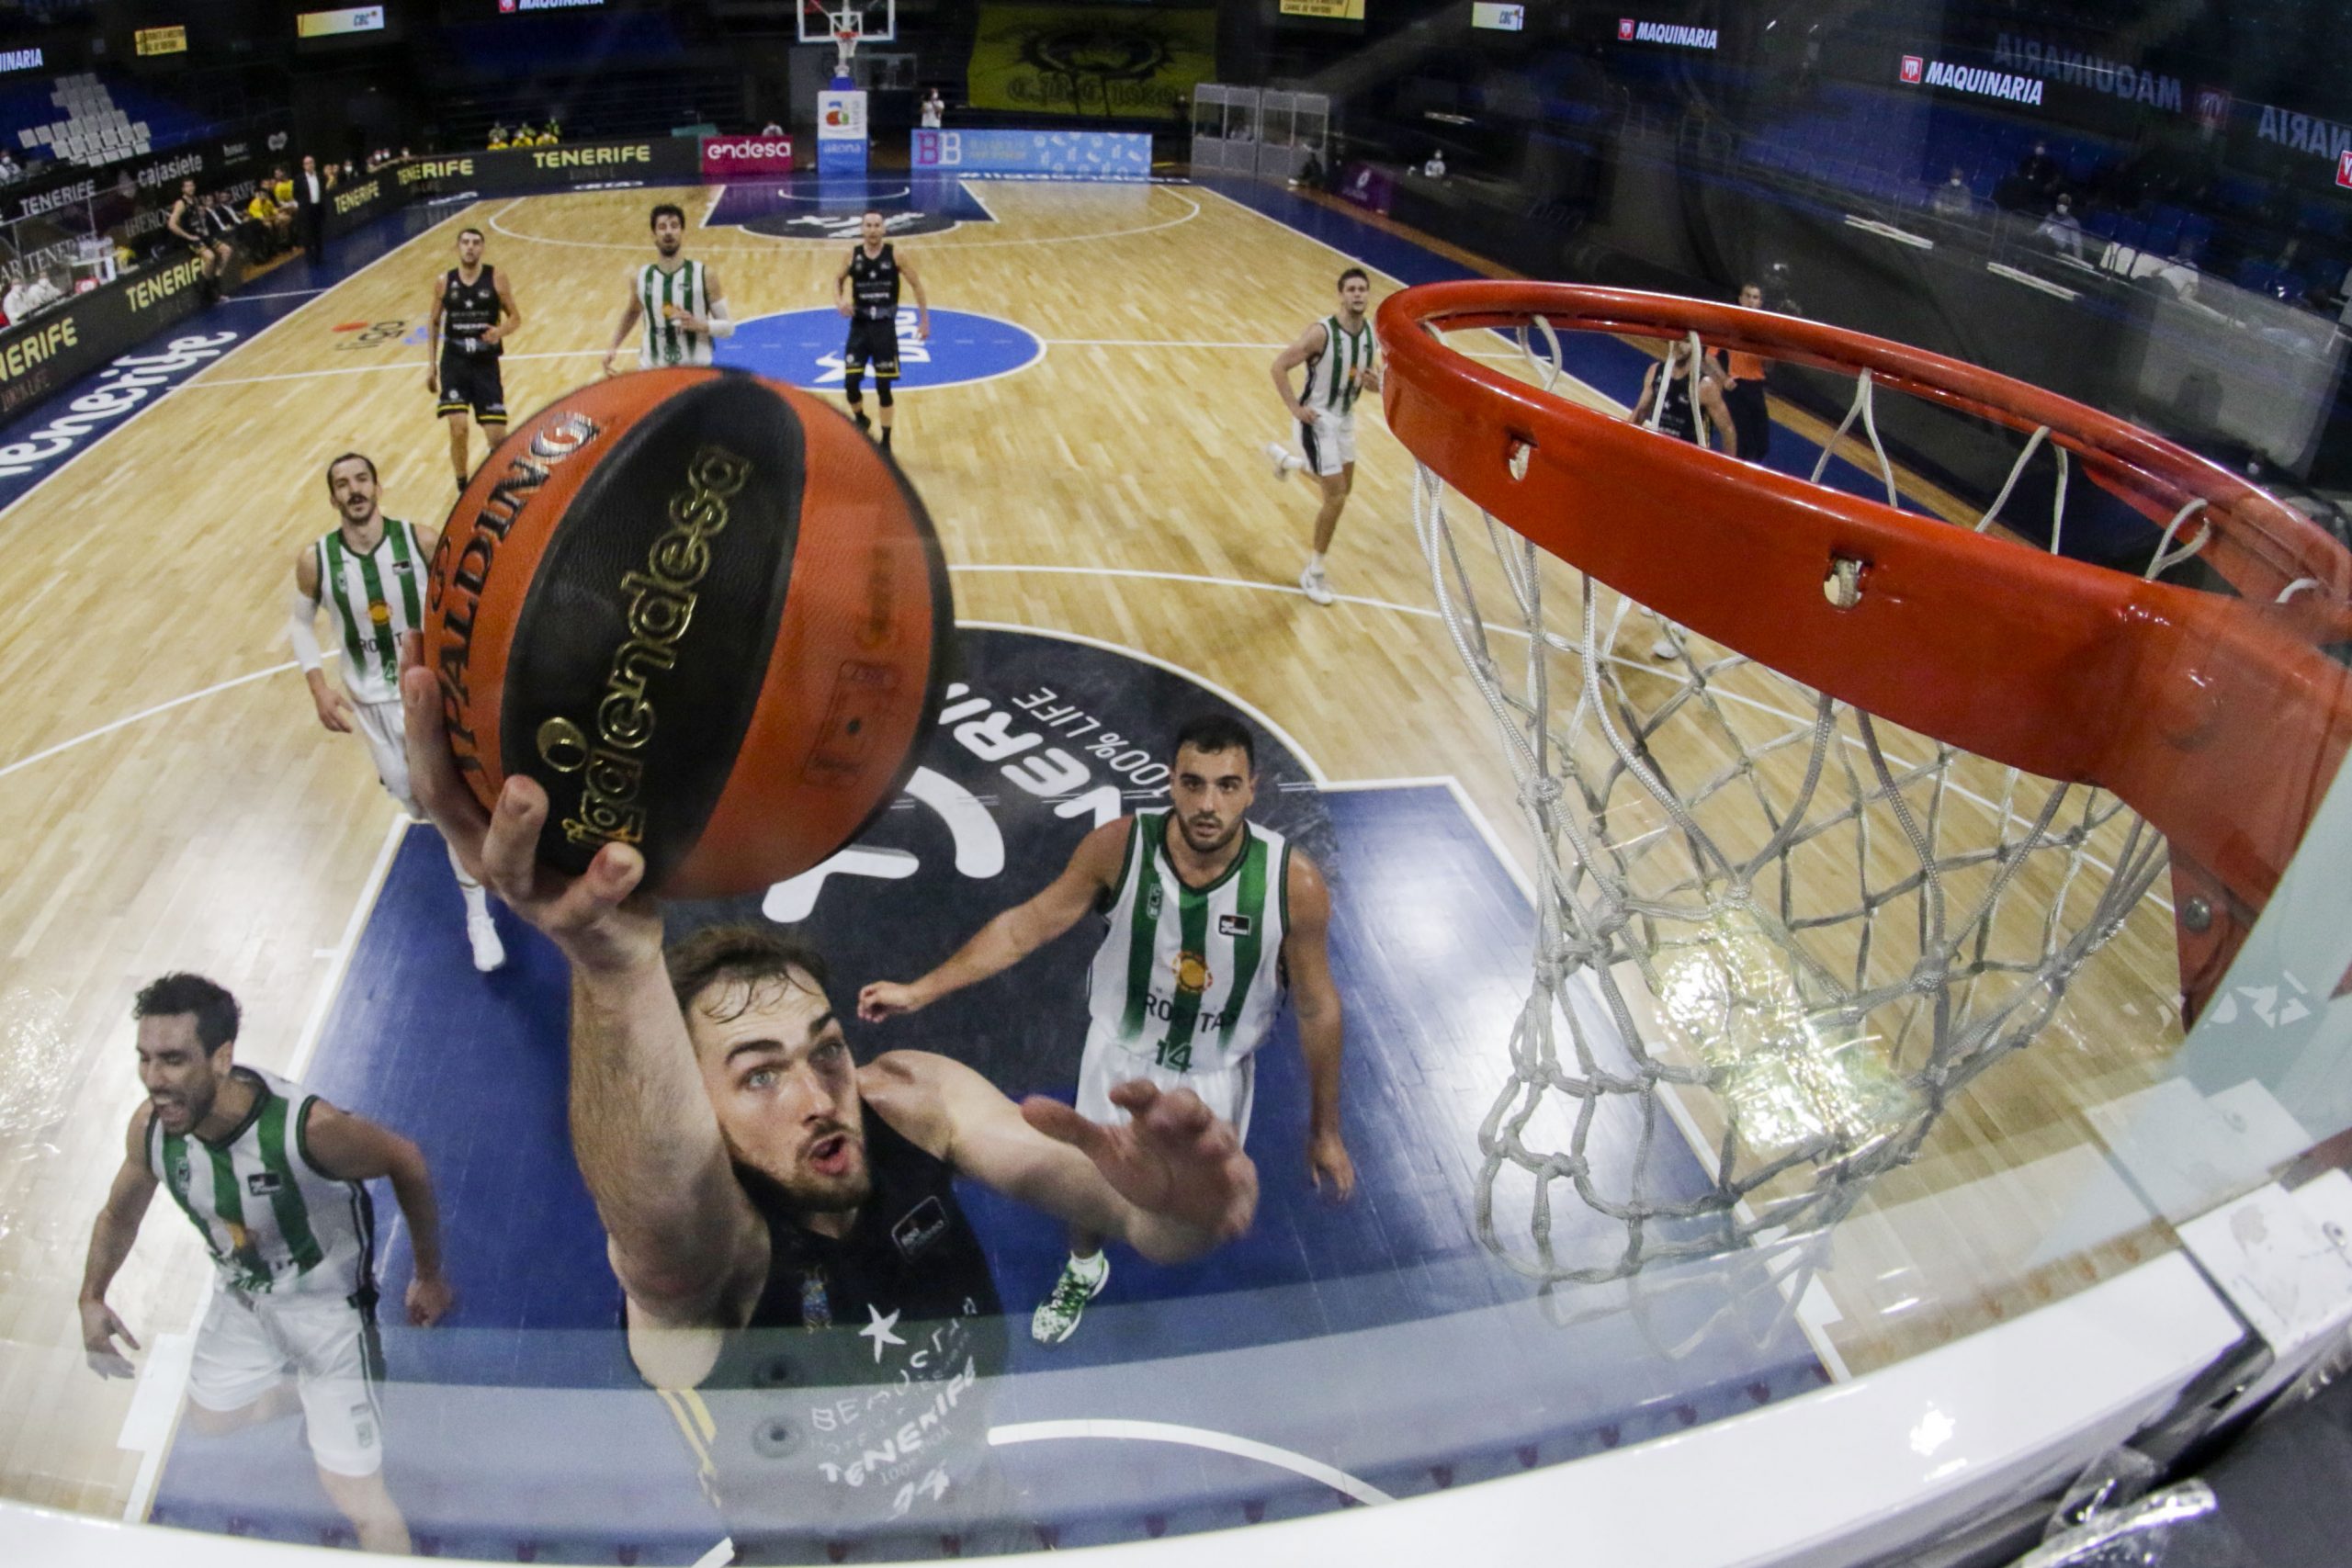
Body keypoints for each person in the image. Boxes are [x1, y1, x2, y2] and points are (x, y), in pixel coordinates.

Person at [393, 653, 1260, 1558]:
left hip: (979, 1517)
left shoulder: (911, 1101)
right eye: (758, 1075)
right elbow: (656, 1217)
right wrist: (613, 968)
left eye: (826, 1049)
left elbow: (1132, 1216)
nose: (818, 1098)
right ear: (698, 1109)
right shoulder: (711, 1260)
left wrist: (1179, 1212)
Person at [860, 713, 1351, 1346]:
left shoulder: (1293, 883)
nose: (1208, 804)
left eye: (1227, 785)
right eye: (1193, 783)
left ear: (1252, 789)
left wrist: (1325, 1130)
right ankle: (1083, 1266)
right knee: (1090, 1179)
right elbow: (1023, 928)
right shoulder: (1119, 847)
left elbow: (1317, 1008)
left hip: (1214, 1074)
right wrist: (920, 989)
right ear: (1170, 781)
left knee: (1190, 1206)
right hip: (1118, 1057)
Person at [79, 972, 455, 1553]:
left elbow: (404, 1159)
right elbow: (118, 1215)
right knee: (211, 1418)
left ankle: (335, 1396)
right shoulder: (152, 1130)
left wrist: (427, 1275)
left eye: (174, 1060)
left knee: (356, 1497)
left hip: (329, 1314)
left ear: (222, 1057)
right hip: (243, 1297)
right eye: (145, 1059)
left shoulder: (308, 1130)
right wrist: (92, 1296)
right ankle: (307, 1396)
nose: (154, 1079)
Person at [289, 453, 507, 970]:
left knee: (444, 805)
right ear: (333, 498)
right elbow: (299, 624)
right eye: (343, 484)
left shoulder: (422, 541)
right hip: (370, 704)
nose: (354, 490)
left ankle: (479, 917)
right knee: (414, 800)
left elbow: (470, 598)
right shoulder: (317, 560)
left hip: (425, 694)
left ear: (378, 487)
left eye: (362, 479)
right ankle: (459, 822)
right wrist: (318, 687)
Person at [1265, 266, 1382, 607]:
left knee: (1344, 488)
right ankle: (1314, 572)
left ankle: (1289, 463)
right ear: (1341, 295)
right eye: (1352, 289)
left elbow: (1367, 378)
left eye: (1362, 289)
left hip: (1345, 419)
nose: (1358, 294)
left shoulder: (1370, 334)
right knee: (1336, 498)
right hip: (1316, 421)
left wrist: (1374, 385)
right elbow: (1278, 366)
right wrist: (1294, 408)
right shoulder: (1321, 333)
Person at [1630, 341, 1739, 660]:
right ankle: (1658, 598)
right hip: (1660, 471)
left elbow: (1727, 428)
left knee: (1681, 553)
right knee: (1656, 542)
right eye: (1673, 338)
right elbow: (1640, 411)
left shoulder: (1704, 386)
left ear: (1695, 344)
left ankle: (1679, 630)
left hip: (1691, 477)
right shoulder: (1656, 372)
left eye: (1683, 340)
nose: (1677, 345)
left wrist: (1728, 475)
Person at [426, 226, 523, 489]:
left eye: (476, 243)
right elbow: (433, 321)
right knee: (458, 427)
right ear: (457, 247)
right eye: (466, 242)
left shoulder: (497, 278)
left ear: (482, 248)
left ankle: (496, 482)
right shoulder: (444, 281)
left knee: (497, 438)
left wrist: (499, 331)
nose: (470, 247)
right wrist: (431, 366)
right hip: (454, 362)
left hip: (485, 364)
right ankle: (462, 485)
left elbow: (515, 318)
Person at [833, 208, 929, 451]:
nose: (873, 230)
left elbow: (917, 285)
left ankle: (885, 442)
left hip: (884, 328)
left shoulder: (896, 254)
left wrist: (924, 320)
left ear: (884, 229)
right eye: (868, 225)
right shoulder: (852, 254)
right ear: (862, 229)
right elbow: (837, 280)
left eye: (877, 225)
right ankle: (861, 418)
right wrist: (839, 300)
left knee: (883, 387)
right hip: (860, 326)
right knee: (850, 383)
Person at [602, 202, 732, 373]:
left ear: (682, 232)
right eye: (662, 227)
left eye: (674, 226)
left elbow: (728, 328)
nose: (669, 232)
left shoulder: (705, 275)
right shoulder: (640, 277)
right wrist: (613, 346)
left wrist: (699, 325)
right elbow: (633, 311)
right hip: (652, 370)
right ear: (653, 235)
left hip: (695, 370)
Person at [1716, 281, 1772, 465]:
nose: (1750, 301)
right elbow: (1709, 357)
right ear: (1740, 299)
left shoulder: (1765, 330)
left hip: (1756, 388)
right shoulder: (1729, 325)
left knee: (1762, 444)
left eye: (1755, 297)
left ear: (1760, 302)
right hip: (1737, 386)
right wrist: (1724, 379)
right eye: (1747, 296)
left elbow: (1769, 366)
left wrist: (1769, 351)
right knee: (1742, 442)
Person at [167, 177, 232, 296]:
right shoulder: (181, 203)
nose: (190, 188)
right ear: (183, 189)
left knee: (227, 250)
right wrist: (188, 236)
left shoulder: (196, 200)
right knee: (210, 257)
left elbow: (198, 217)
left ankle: (217, 279)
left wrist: (204, 228)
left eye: (192, 185)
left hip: (202, 234)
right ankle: (207, 288)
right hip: (191, 237)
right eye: (187, 186)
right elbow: (171, 224)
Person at [292, 154, 328, 265]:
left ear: (314, 164)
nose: (309, 165)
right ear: (304, 166)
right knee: (307, 235)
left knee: (318, 233)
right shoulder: (299, 179)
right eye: (307, 163)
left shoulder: (321, 176)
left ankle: (319, 256)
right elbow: (295, 194)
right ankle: (310, 257)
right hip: (306, 210)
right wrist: (303, 204)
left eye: (311, 162)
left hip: (318, 208)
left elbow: (323, 191)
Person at [2036, 193, 2086, 261]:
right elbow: (2039, 231)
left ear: (2069, 206)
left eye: (2065, 204)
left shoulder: (2073, 223)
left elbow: (2077, 245)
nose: (2061, 205)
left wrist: (2078, 260)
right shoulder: (2050, 216)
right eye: (2060, 203)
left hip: (2057, 252)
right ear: (2057, 204)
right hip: (2042, 247)